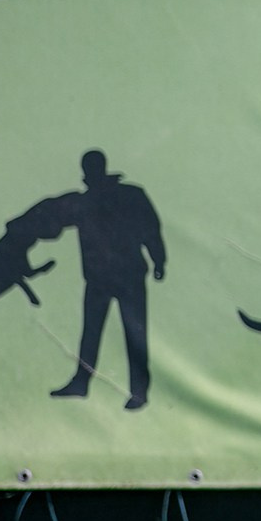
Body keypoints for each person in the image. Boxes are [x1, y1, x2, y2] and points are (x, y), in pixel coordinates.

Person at [40, 150, 166, 410]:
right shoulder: (107, 198)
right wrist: (158, 260)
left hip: (120, 276)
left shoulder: (103, 199)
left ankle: (134, 391)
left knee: (124, 333)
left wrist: (159, 259)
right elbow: (151, 228)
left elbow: (150, 227)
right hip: (107, 277)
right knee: (100, 332)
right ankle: (90, 384)